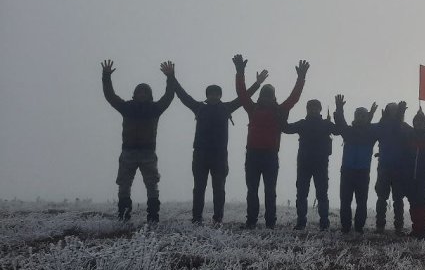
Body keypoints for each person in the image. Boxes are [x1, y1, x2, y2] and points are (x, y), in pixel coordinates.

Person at [169, 63, 265, 225]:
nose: (214, 96)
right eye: (211, 94)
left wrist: (257, 84)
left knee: (219, 189)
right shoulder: (199, 107)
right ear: (207, 95)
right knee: (198, 188)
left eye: (216, 94)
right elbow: (183, 96)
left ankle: (218, 218)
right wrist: (171, 77)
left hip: (219, 156)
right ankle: (197, 217)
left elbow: (243, 98)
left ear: (220, 95)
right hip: (200, 155)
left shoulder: (227, 108)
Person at [234, 54, 308, 229]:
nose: (267, 97)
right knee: (252, 191)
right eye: (265, 95)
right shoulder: (252, 108)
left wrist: (301, 78)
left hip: (269, 155)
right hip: (253, 154)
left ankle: (270, 222)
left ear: (273, 96)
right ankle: (251, 221)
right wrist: (240, 72)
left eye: (269, 95)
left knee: (269, 191)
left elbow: (294, 98)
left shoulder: (279, 110)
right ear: (261, 96)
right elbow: (242, 93)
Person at [101, 59, 175, 224]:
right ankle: (124, 217)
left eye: (145, 92)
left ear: (149, 95)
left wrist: (170, 77)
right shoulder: (127, 107)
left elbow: (169, 96)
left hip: (148, 153)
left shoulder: (155, 108)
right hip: (128, 152)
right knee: (124, 186)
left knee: (152, 186)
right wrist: (106, 76)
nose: (142, 95)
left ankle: (153, 217)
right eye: (140, 92)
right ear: (135, 94)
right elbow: (110, 96)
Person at [284, 99, 338, 230]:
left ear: (319, 109)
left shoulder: (322, 124)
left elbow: (339, 130)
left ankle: (322, 223)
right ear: (307, 109)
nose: (313, 110)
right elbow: (286, 128)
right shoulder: (322, 124)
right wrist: (283, 111)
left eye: (316, 108)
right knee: (304, 194)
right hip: (307, 165)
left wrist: (338, 112)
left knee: (319, 194)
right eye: (311, 108)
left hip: (314, 164)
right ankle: (304, 222)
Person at [333, 95, 379, 234]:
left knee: (361, 202)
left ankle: (359, 227)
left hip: (363, 173)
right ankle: (345, 227)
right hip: (347, 171)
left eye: (363, 116)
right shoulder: (348, 131)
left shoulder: (371, 133)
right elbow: (340, 122)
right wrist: (339, 108)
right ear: (354, 117)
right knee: (345, 201)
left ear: (367, 117)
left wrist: (371, 116)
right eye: (358, 115)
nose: (360, 118)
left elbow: (380, 127)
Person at [373, 101, 412, 234]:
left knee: (398, 199)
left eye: (397, 110)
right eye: (392, 110)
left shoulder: (404, 126)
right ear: (387, 111)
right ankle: (380, 225)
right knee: (382, 197)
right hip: (384, 167)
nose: (394, 112)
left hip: (398, 168)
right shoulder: (382, 125)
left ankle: (398, 226)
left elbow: (413, 136)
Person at [405, 109, 425, 239]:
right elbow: (403, 155)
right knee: (413, 203)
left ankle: (423, 230)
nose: (418, 124)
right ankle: (415, 229)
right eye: (416, 122)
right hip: (409, 176)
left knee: (423, 203)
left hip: (423, 177)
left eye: (421, 122)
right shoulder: (408, 136)